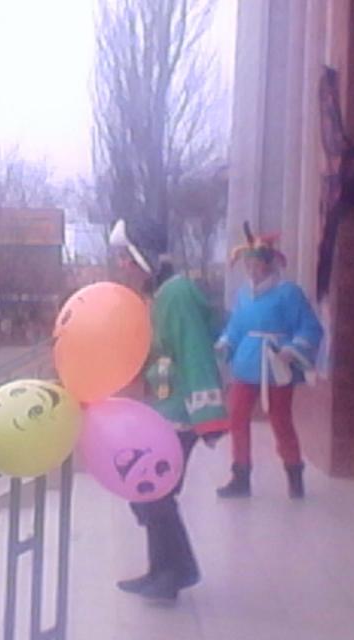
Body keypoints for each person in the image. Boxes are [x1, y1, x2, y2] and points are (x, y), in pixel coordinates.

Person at [108, 216, 227, 601]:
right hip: (161, 411)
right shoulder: (158, 296)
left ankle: (175, 572)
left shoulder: (177, 294)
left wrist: (208, 417)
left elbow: (194, 350)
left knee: (155, 493)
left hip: (179, 415)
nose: (122, 265)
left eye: (127, 257)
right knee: (150, 493)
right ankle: (162, 571)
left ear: (143, 256)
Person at [216, 224, 324, 499]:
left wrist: (293, 349)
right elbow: (236, 327)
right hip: (246, 364)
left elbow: (309, 326)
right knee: (237, 417)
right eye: (248, 264)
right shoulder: (243, 294)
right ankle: (240, 475)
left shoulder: (289, 292)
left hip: (276, 363)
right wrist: (226, 342)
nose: (252, 270)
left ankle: (294, 473)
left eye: (256, 264)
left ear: (268, 264)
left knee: (280, 420)